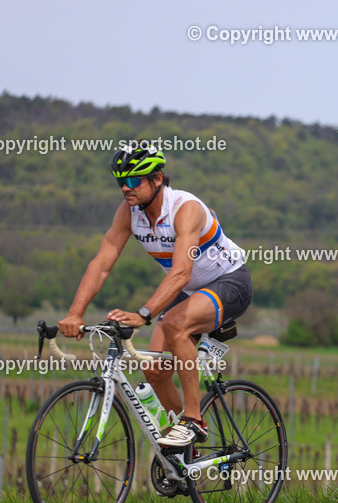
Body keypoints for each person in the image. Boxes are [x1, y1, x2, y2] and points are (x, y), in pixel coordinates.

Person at [59, 143, 253, 448]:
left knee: (175, 324)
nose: (126, 188)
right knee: (153, 370)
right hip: (189, 291)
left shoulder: (185, 209)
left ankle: (194, 421)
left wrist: (143, 315)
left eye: (135, 181)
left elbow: (180, 273)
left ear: (157, 179)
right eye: (121, 181)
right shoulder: (129, 213)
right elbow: (101, 265)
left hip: (229, 282)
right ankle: (183, 449)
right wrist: (75, 313)